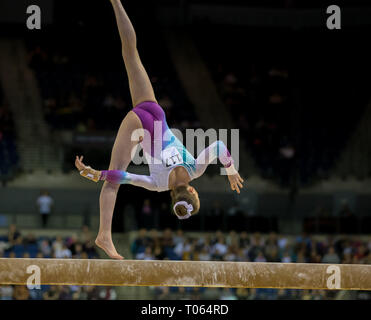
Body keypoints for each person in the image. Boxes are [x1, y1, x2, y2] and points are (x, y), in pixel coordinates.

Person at [74, 0, 244, 260]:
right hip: (139, 128)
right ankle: (104, 236)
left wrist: (231, 171)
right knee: (111, 185)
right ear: (174, 197)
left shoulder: (196, 169)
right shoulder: (157, 186)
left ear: (194, 191)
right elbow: (120, 176)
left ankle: (116, 2)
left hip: (154, 113)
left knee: (131, 53)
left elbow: (220, 147)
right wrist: (93, 174)